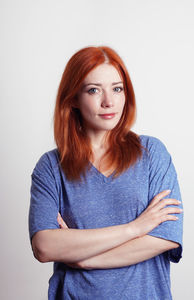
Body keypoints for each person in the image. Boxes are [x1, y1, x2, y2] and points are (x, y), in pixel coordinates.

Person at [28, 46, 183, 300]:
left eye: (117, 88)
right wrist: (135, 228)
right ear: (74, 98)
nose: (108, 101)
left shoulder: (152, 153)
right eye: (93, 90)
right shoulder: (51, 167)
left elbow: (165, 239)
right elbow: (44, 246)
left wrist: (85, 260)